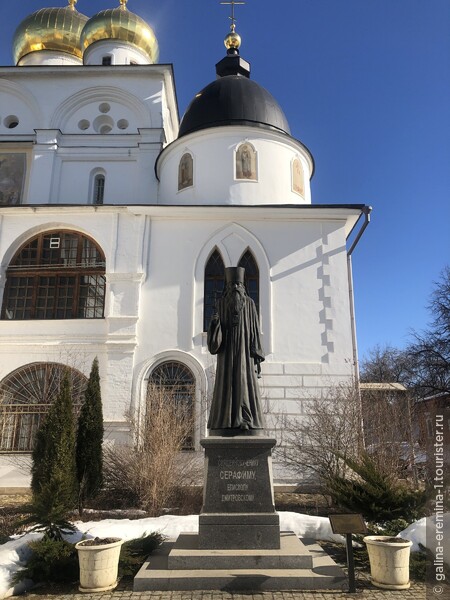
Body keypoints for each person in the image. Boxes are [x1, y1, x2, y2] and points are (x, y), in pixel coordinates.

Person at [207, 266, 265, 433]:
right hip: (226, 355)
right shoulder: (220, 304)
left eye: (238, 284)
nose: (235, 288)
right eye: (232, 284)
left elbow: (254, 329)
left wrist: (257, 355)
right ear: (227, 286)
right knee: (225, 384)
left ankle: (247, 418)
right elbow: (214, 337)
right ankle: (224, 421)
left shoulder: (250, 304)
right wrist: (214, 323)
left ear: (243, 286)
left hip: (245, 354)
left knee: (245, 382)